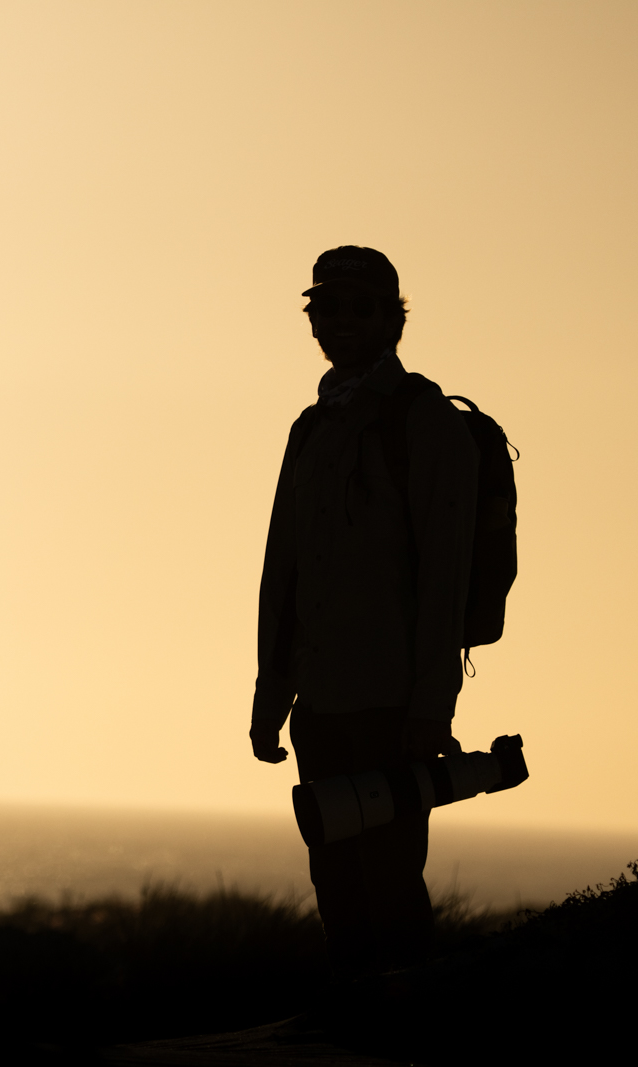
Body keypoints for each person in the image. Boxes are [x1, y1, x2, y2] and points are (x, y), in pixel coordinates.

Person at [250, 247, 478, 980]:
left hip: (392, 700)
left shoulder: (424, 422)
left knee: (389, 874)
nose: (339, 321)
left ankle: (403, 1034)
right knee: (334, 874)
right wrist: (270, 693)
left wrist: (430, 705)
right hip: (319, 699)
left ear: (393, 319)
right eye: (326, 308)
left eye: (359, 307)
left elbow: (447, 575)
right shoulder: (310, 427)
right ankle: (348, 1021)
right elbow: (281, 571)